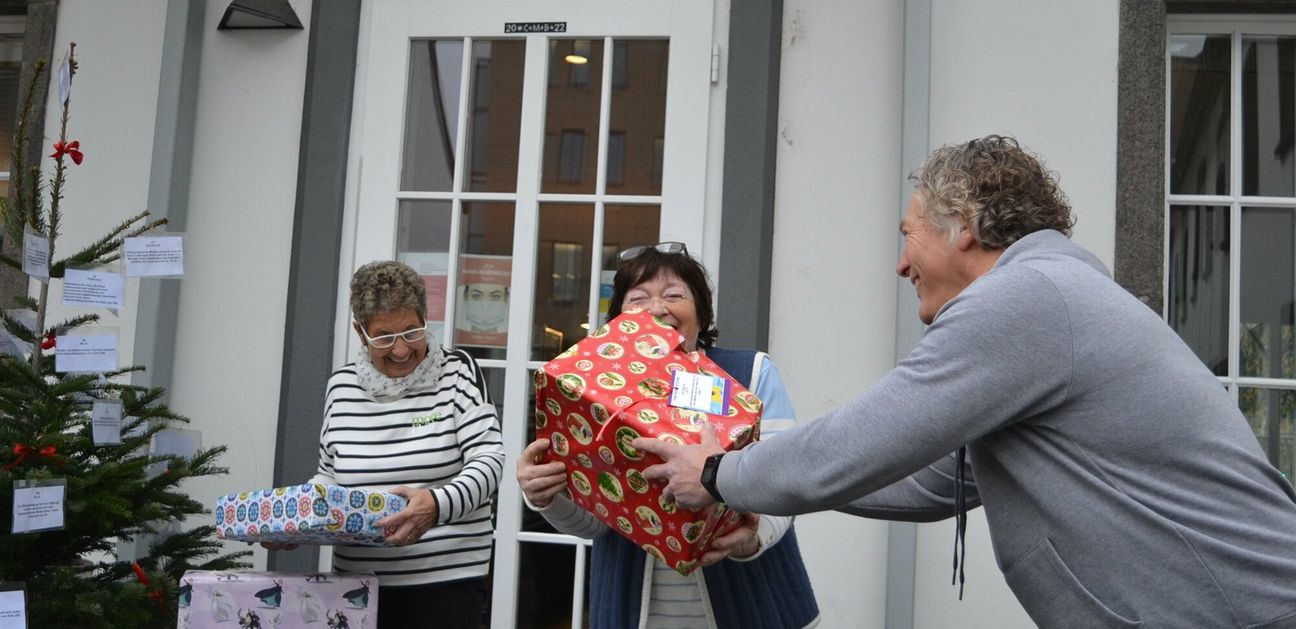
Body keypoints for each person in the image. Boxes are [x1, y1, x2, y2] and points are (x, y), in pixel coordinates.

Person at [635, 136, 1296, 627]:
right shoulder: (1049, 297)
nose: (900, 264)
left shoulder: (1023, 300)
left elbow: (865, 441)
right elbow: (924, 477)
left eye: (908, 235)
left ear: (966, 228)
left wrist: (719, 472)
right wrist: (766, 479)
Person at [516, 242, 820, 628]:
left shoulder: (750, 372)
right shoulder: (596, 393)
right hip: (637, 613)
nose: (657, 309)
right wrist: (547, 497)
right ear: (620, 320)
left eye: (674, 295)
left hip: (751, 607)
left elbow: (785, 474)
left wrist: (754, 536)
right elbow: (595, 522)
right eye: (638, 299)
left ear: (701, 311)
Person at [274, 260, 505, 629]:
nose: (400, 350)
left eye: (412, 332)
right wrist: (295, 520)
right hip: (358, 584)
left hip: (445, 580)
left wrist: (436, 506)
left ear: (426, 318)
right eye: (383, 337)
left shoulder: (459, 372)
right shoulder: (341, 386)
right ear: (360, 332)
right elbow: (330, 477)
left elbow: (489, 461)